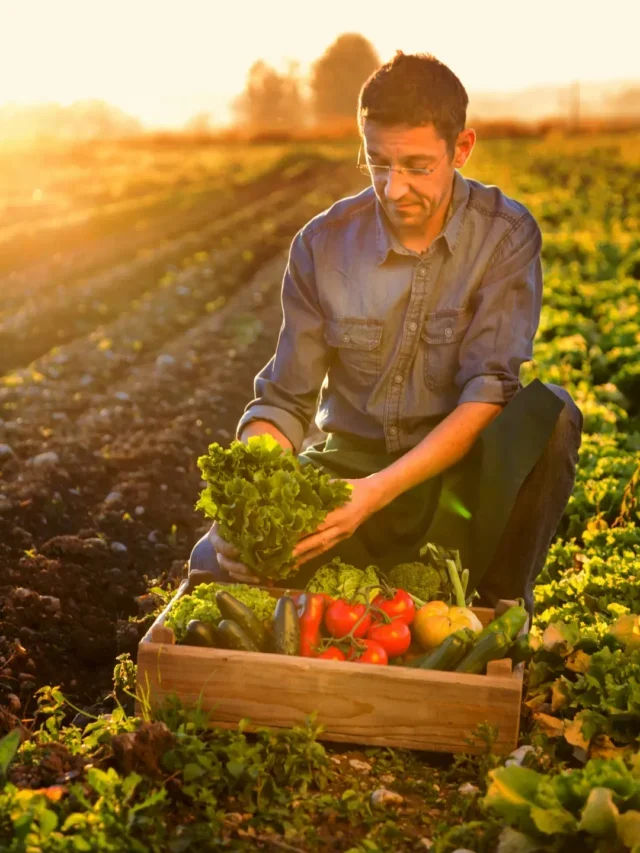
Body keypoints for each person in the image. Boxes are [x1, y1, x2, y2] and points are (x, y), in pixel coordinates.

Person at [189, 51, 583, 616]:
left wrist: (375, 494)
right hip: (348, 473)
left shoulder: (504, 234)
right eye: (378, 163)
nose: (394, 189)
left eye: (418, 166)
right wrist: (255, 497)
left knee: (552, 415)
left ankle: (497, 604)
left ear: (462, 148)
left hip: (454, 475)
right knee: (213, 564)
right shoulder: (323, 245)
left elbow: (488, 391)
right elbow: (284, 401)